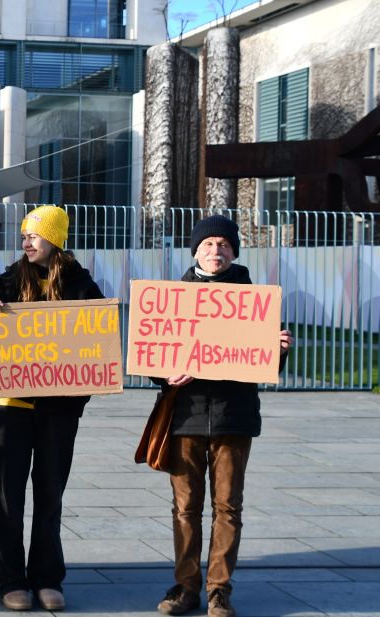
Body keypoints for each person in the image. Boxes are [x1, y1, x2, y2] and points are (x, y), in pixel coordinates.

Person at [155, 215, 293, 617]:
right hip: (186, 416)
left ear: (234, 251)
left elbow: (264, 364)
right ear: (195, 251)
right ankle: (186, 587)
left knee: (228, 507)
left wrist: (279, 350)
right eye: (208, 244)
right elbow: (154, 355)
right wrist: (164, 374)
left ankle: (219, 590)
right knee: (185, 508)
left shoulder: (254, 302)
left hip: (234, 416)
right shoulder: (173, 298)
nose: (216, 251)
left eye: (224, 244)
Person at [0, 205, 103, 612]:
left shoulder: (82, 285)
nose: (26, 241)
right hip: (13, 407)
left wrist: (77, 396)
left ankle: (47, 578)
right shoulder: (11, 279)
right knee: (7, 497)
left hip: (59, 410)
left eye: (34, 235)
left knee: (50, 495)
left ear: (55, 239)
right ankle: (10, 580)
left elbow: (98, 342)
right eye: (24, 235)